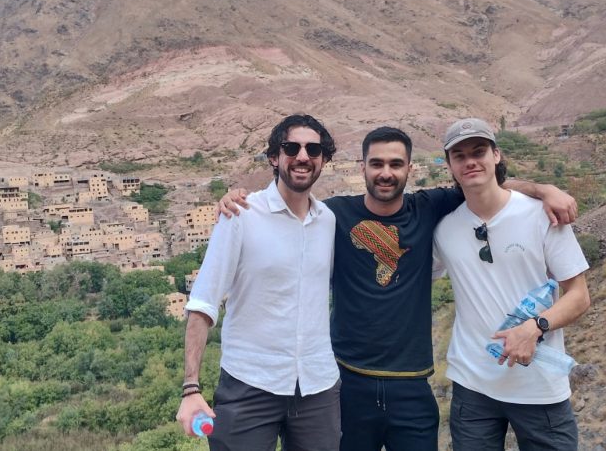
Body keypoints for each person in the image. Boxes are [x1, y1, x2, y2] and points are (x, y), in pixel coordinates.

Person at [218, 125, 578, 451]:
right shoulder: (333, 215)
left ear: (410, 169)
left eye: (395, 164)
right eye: (376, 164)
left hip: (412, 386)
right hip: (348, 383)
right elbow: (288, 211)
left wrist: (542, 190)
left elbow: (482, 184)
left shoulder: (430, 208)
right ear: (363, 168)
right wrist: (240, 200)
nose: (386, 173)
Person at [176, 114, 341, 451]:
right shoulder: (241, 215)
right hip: (249, 383)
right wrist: (191, 388)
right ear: (274, 157)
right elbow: (203, 303)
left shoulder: (328, 220)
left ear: (323, 160)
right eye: (291, 148)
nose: (303, 156)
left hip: (317, 386)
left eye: (313, 150)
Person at [432, 118, 590, 450]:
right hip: (472, 385)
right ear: (449, 165)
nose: (470, 161)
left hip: (539, 386)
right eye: (459, 155)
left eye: (479, 151)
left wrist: (535, 327)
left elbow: (579, 295)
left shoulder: (542, 216)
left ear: (496, 155)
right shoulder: (444, 230)